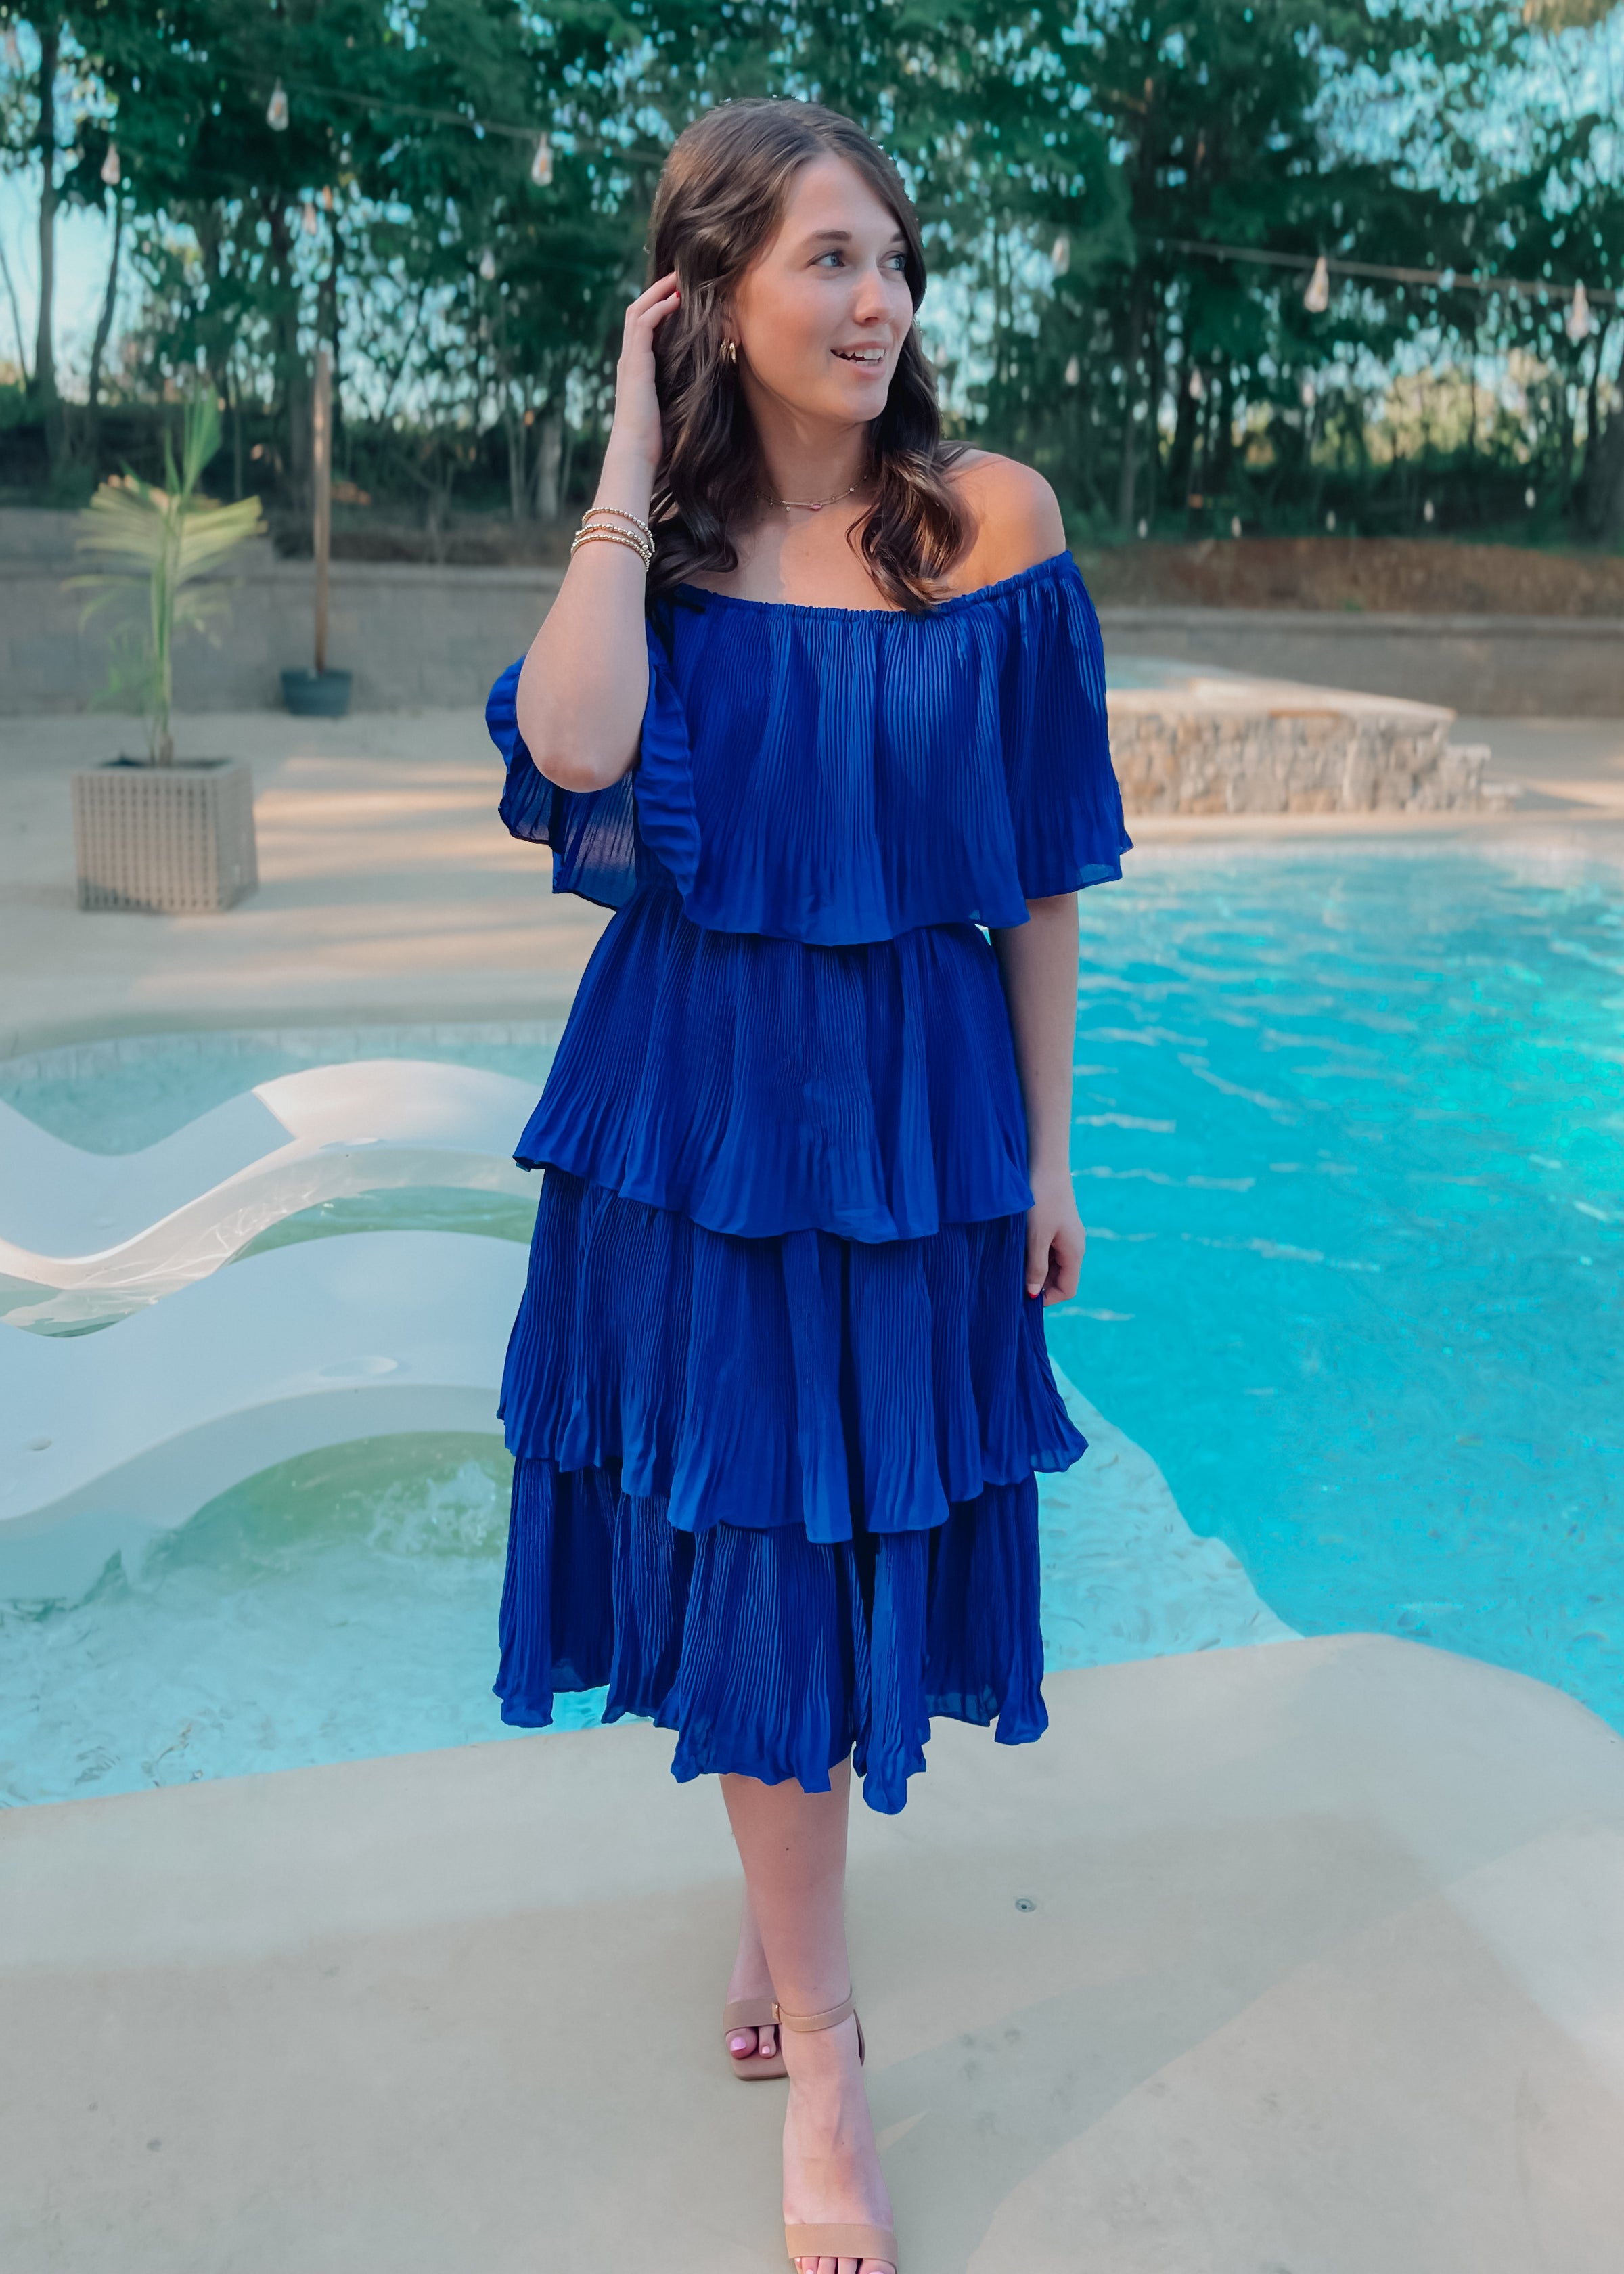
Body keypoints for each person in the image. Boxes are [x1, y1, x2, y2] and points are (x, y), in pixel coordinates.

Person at [485, 96, 1129, 2274]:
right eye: (828, 260)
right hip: (693, 1127)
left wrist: (1046, 1150)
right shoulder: (659, 560)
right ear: (713, 296)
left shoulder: (994, 526)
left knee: (851, 1535)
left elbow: (1043, 867)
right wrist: (625, 455)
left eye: (895, 259)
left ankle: (787, 1939)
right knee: (757, 1532)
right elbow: (576, 750)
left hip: (917, 1127)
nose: (881, 302)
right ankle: (833, 2049)